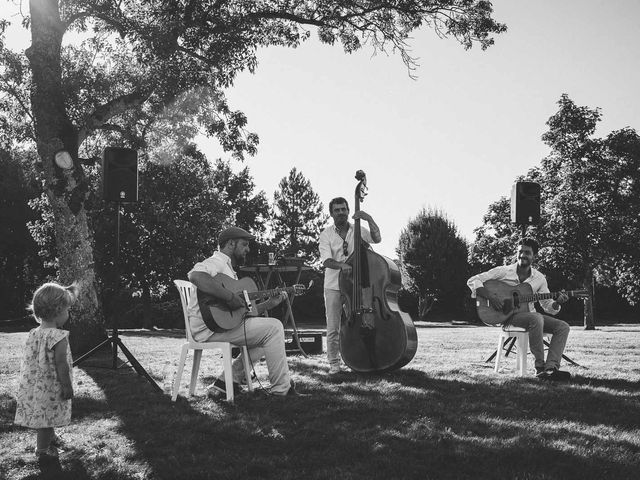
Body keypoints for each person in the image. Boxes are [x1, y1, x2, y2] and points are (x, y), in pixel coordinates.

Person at [187, 226, 303, 397]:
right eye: (244, 244)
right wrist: (229, 297)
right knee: (274, 327)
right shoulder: (216, 262)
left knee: (266, 337)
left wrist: (268, 305)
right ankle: (281, 390)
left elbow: (241, 313)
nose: (248, 249)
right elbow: (195, 276)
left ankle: (225, 382)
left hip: (219, 327)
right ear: (231, 244)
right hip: (209, 329)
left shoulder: (228, 269)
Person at [467, 238, 571, 381]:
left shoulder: (539, 278)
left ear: (534, 256)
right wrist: (491, 297)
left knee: (562, 327)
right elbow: (473, 280)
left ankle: (551, 368)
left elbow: (547, 305)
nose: (522, 255)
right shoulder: (503, 271)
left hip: (531, 317)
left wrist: (557, 303)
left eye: (527, 252)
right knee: (536, 318)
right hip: (508, 317)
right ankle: (540, 368)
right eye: (520, 251)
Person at [14, 282, 78, 461]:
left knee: (46, 412)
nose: (68, 313)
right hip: (51, 384)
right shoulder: (59, 336)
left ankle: (51, 437)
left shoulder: (34, 333)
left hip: (35, 383)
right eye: (67, 310)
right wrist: (67, 386)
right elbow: (61, 364)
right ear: (57, 310)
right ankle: (42, 450)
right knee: (46, 418)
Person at [319, 197, 382, 374]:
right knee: (333, 327)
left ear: (348, 211)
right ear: (331, 213)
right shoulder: (326, 234)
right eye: (337, 210)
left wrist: (369, 219)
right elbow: (326, 261)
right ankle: (334, 363)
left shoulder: (358, 229)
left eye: (344, 209)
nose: (341, 212)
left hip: (356, 285)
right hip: (333, 286)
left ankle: (357, 358)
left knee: (360, 323)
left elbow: (377, 239)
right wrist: (342, 265)